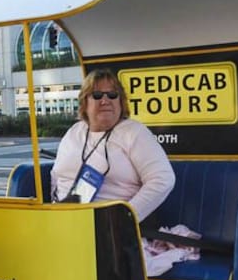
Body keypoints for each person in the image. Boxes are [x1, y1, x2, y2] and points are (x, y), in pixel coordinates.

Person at [51, 68, 175, 221]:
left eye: (112, 95)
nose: (105, 101)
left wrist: (126, 218)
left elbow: (163, 179)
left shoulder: (134, 132)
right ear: (85, 103)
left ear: (120, 101)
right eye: (97, 95)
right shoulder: (73, 132)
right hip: (62, 220)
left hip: (108, 226)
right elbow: (56, 177)